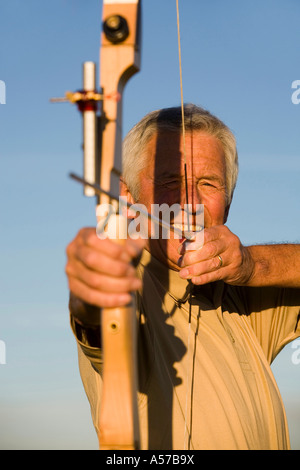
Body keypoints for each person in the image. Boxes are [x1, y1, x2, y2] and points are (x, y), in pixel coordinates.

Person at [65, 104, 300, 450]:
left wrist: (252, 265)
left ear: (228, 203)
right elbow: (99, 315)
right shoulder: (135, 293)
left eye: (208, 183)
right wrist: (93, 286)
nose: (189, 201)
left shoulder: (240, 296)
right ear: (128, 198)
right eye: (169, 181)